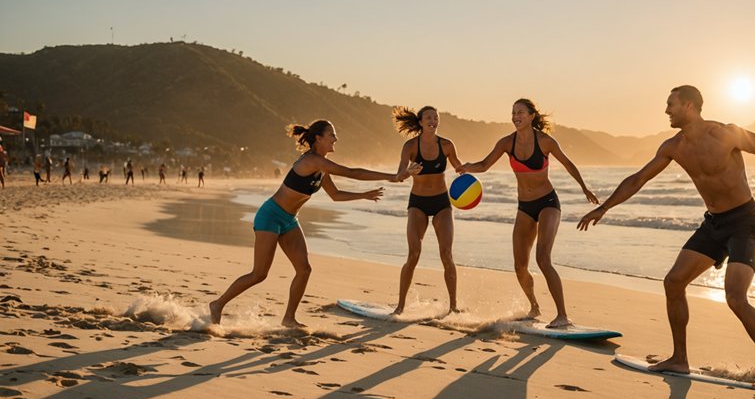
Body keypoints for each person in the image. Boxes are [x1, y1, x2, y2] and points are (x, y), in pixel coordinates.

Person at [577, 85, 755, 390]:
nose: (666, 111)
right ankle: (679, 358)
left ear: (689, 106)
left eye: (670, 105)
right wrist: (605, 208)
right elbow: (638, 178)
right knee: (674, 282)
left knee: (735, 298)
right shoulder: (673, 146)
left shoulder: (726, 134)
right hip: (714, 223)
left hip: (745, 222)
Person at [210, 119, 421, 328]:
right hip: (271, 216)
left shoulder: (322, 168)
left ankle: (289, 319)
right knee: (259, 274)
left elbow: (335, 195)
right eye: (331, 134)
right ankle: (218, 304)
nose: (335, 139)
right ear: (318, 138)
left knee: (304, 269)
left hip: (289, 220)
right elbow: (351, 172)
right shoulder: (312, 161)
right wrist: (393, 177)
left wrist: (364, 195)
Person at [459, 99, 598, 328]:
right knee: (519, 265)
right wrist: (467, 167)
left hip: (548, 203)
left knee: (543, 258)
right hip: (524, 207)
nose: (516, 116)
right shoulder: (506, 142)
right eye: (513, 112)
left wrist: (584, 188)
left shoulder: (545, 142)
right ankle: (534, 307)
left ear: (532, 115)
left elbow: (568, 163)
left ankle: (562, 315)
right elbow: (484, 165)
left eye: (520, 112)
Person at [391, 106, 464, 315]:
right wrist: (408, 171)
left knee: (446, 254)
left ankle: (453, 307)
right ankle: (400, 306)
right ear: (420, 122)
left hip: (441, 203)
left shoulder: (447, 145)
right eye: (429, 117)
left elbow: (459, 168)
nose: (433, 120)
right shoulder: (411, 146)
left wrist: (470, 174)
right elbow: (398, 176)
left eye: (436, 117)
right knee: (414, 254)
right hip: (418, 204)